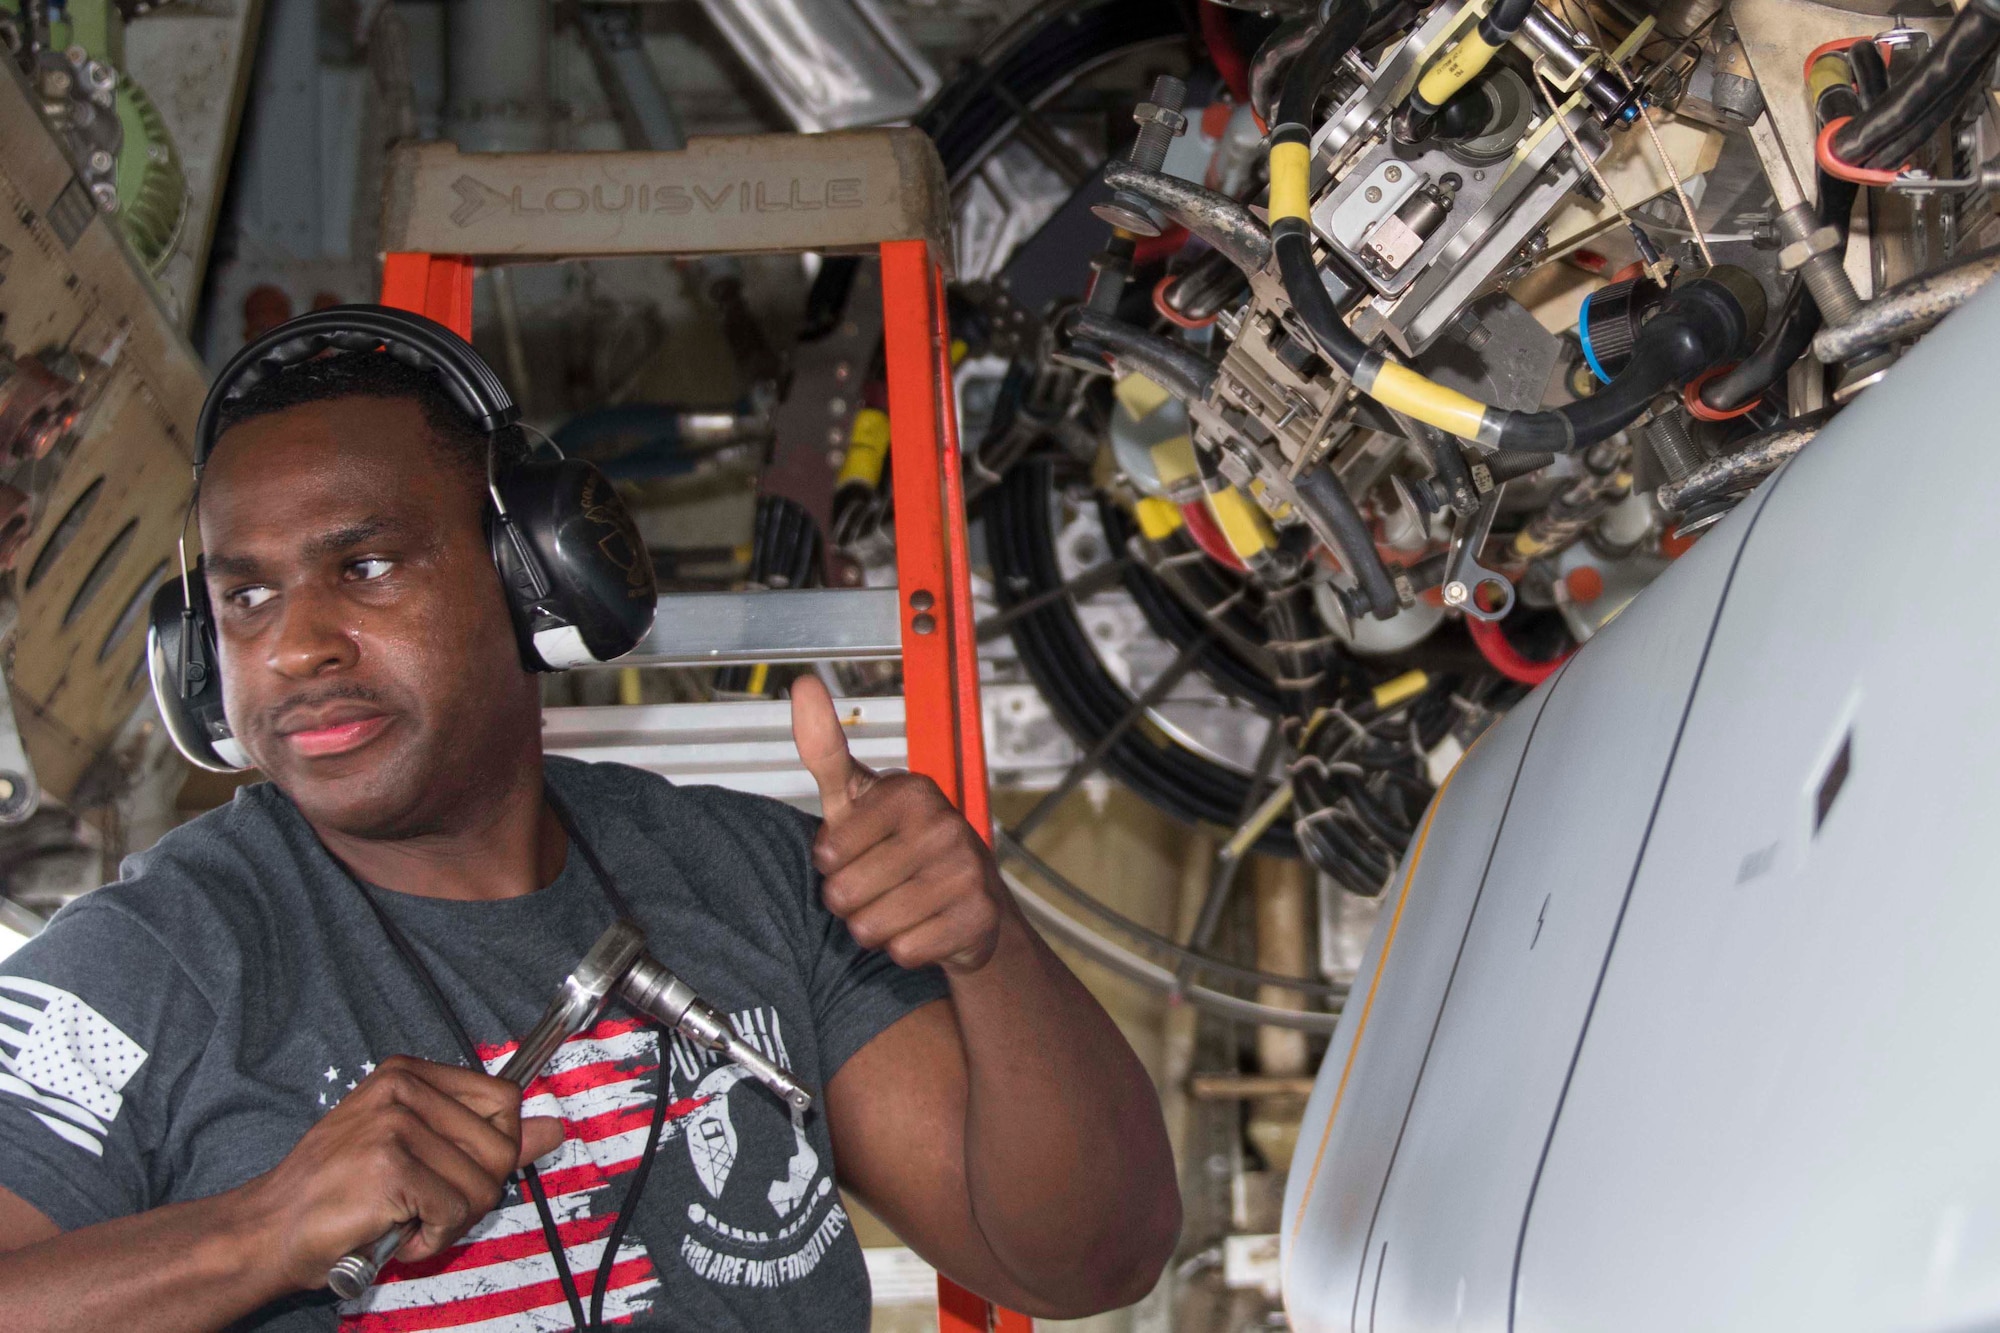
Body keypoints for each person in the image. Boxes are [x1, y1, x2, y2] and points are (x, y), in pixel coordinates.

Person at [0, 343, 1179, 1331]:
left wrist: (987, 947)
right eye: (245, 598)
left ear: (536, 581)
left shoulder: (753, 876)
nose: (295, 647)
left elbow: (1086, 1260)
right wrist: (256, 1233)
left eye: (364, 565)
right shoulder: (141, 968)